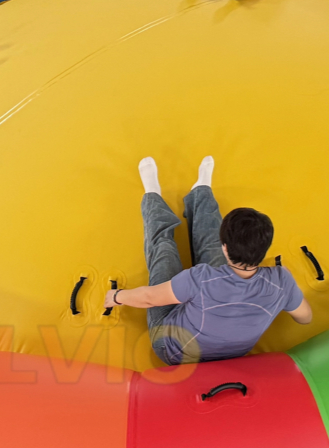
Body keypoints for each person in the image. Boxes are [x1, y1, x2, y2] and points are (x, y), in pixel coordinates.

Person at [104, 155, 313, 366]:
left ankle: (153, 195)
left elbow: (149, 298)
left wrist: (117, 296)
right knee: (207, 253)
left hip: (174, 352)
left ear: (225, 248)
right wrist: (282, 293)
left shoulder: (201, 278)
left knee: (163, 250)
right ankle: (201, 190)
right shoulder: (282, 281)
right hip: (232, 354)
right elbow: (305, 318)